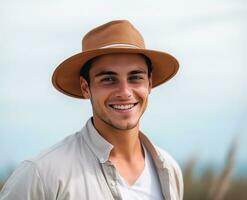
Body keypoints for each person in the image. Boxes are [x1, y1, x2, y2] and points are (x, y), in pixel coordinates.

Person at [0, 20, 183, 200]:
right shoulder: (41, 175)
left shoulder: (168, 169)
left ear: (149, 83)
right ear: (85, 87)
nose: (125, 92)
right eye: (108, 79)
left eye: (135, 77)